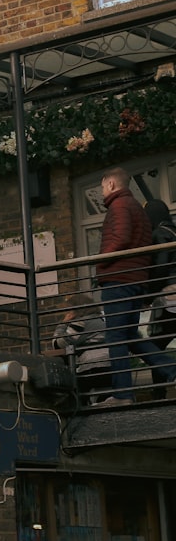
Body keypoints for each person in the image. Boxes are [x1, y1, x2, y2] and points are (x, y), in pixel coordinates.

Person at [94, 168, 176, 406]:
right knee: (130, 336)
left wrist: (99, 261)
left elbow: (120, 238)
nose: (101, 191)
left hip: (119, 280)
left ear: (110, 184)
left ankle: (122, 395)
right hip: (134, 282)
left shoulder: (119, 207)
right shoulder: (136, 209)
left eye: (101, 186)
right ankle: (171, 370)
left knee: (116, 337)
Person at [51, 293, 111, 405]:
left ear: (76, 309)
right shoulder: (99, 320)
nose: (68, 312)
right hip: (110, 366)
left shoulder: (81, 322)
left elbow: (59, 343)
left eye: (70, 309)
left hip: (94, 367)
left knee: (73, 387)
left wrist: (63, 324)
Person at [144, 199, 176, 354]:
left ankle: (167, 373)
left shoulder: (159, 233)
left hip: (170, 298)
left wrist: (147, 296)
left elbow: (160, 268)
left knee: (156, 344)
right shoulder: (173, 232)